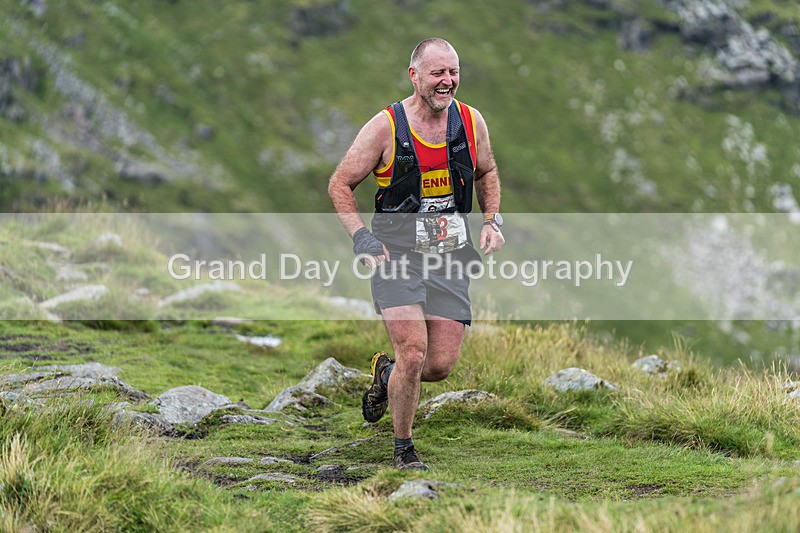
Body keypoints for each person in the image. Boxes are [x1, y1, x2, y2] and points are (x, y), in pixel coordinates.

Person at [328, 38, 504, 470]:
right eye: (437, 73)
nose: (447, 82)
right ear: (414, 76)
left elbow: (487, 170)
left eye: (453, 72)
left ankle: (385, 376)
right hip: (397, 256)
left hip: (449, 256)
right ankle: (404, 449)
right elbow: (340, 183)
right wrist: (361, 238)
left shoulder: (470, 120)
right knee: (413, 352)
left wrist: (492, 220)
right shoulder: (386, 126)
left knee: (439, 365)